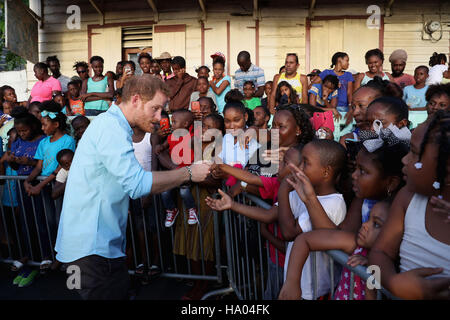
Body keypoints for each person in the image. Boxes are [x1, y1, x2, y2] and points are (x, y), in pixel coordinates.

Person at [54, 75, 211, 300]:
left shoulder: (112, 125)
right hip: (91, 253)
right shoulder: (111, 128)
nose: (159, 118)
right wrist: (188, 173)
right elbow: (137, 184)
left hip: (90, 249)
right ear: (136, 99)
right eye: (155, 108)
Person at [369, 111, 450, 299]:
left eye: (414, 153)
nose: (404, 160)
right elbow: (377, 255)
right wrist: (392, 283)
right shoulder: (408, 198)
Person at [277, 139, 348, 300]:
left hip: (315, 289)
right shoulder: (309, 193)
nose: (299, 168)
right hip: (301, 284)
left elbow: (289, 232)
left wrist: (283, 188)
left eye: (306, 163)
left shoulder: (333, 203)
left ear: (325, 172)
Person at [23, 100, 76, 272]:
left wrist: (40, 185)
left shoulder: (68, 140)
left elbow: (59, 167)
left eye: (45, 125)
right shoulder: (44, 142)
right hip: (44, 185)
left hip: (58, 184)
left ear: (56, 124)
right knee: (47, 221)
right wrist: (28, 181)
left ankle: (65, 257)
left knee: (60, 221)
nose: (42, 128)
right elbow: (39, 166)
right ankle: (52, 256)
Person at [155, 110, 199, 227]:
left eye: (174, 122)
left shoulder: (192, 136)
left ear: (185, 124)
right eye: (171, 121)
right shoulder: (171, 135)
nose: (171, 124)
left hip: (187, 172)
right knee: (164, 192)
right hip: (174, 172)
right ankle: (171, 210)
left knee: (184, 192)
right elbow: (164, 146)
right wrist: (160, 147)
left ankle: (192, 209)